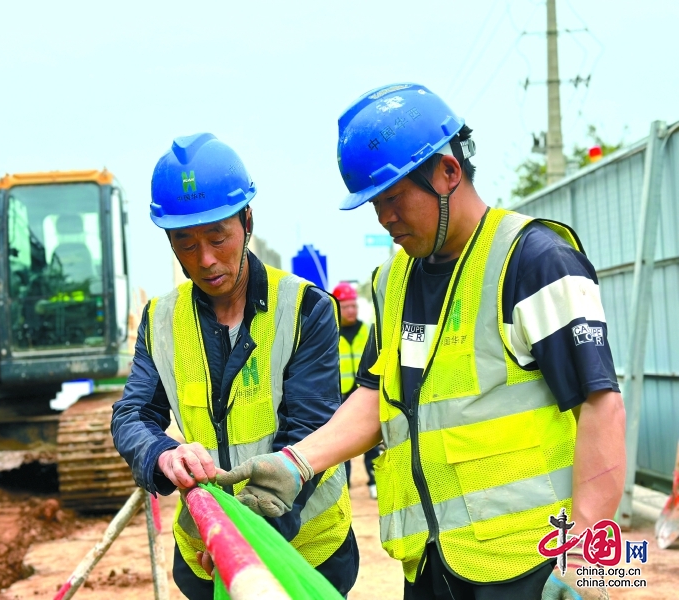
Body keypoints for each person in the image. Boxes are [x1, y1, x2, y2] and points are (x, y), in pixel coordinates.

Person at [217, 84, 625, 600]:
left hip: (533, 567)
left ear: (448, 173)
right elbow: (374, 396)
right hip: (433, 565)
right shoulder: (394, 281)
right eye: (373, 203)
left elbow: (601, 404)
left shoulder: (535, 261)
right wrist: (297, 463)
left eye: (392, 198)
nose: (384, 218)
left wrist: (587, 561)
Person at [111, 132, 358, 599]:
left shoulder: (305, 308)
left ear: (247, 220)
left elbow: (308, 427)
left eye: (218, 238)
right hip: (208, 553)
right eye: (184, 244)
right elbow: (133, 414)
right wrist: (163, 453)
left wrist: (251, 530)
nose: (205, 260)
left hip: (303, 553)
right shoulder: (161, 319)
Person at [332, 281, 380, 499]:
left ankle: (373, 482)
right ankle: (345, 488)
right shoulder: (330, 333)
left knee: (370, 440)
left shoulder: (368, 331)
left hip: (364, 392)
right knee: (341, 443)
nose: (351, 310)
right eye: (345, 306)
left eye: (353, 306)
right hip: (339, 395)